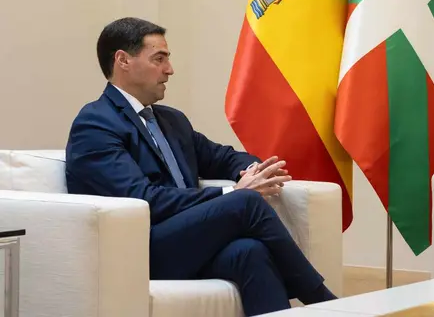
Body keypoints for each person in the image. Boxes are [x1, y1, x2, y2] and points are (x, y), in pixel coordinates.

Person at [65, 17, 336, 315]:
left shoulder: (171, 120)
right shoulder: (96, 123)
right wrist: (233, 192)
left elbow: (223, 157)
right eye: (159, 59)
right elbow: (143, 198)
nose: (170, 69)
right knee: (245, 201)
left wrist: (253, 171)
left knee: (249, 251)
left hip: (185, 240)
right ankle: (325, 304)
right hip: (139, 249)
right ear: (123, 60)